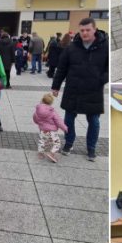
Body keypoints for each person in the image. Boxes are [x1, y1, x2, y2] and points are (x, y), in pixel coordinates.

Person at [51, 18, 109, 162]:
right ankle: (69, 143)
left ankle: (91, 148)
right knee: (69, 119)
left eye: (88, 30)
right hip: (73, 89)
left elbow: (111, 68)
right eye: (82, 30)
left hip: (93, 90)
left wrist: (101, 80)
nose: (84, 33)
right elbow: (62, 68)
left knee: (94, 121)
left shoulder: (105, 46)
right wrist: (56, 86)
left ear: (95, 29)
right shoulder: (72, 47)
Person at [32, 93, 68, 163]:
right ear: (51, 103)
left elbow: (35, 119)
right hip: (52, 131)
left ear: (42, 100)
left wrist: (39, 123)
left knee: (42, 141)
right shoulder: (52, 111)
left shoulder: (37, 111)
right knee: (57, 143)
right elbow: (59, 121)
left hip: (43, 130)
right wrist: (64, 128)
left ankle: (40, 154)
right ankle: (52, 153)